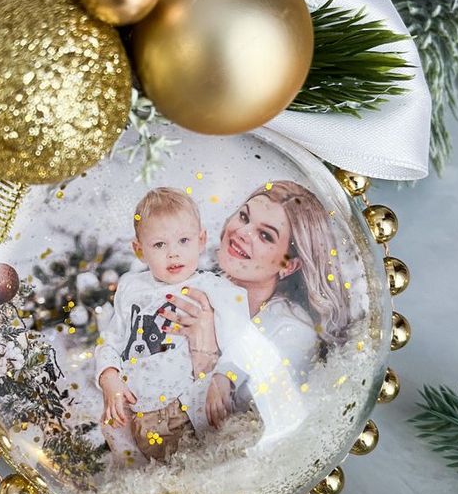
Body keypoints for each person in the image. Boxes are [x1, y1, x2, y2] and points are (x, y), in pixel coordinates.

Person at [163, 180, 353, 436]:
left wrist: (204, 350)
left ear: (289, 266)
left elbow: (230, 438)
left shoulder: (292, 333)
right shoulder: (204, 290)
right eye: (244, 217)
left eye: (265, 235)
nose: (242, 232)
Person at [94, 186, 256, 461]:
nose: (173, 254)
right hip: (135, 411)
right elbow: (111, 339)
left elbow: (242, 341)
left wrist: (223, 378)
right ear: (139, 250)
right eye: (159, 244)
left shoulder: (213, 288)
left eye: (183, 240)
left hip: (185, 409)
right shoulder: (132, 287)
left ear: (201, 239)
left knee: (192, 471)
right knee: (137, 475)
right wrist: (108, 376)